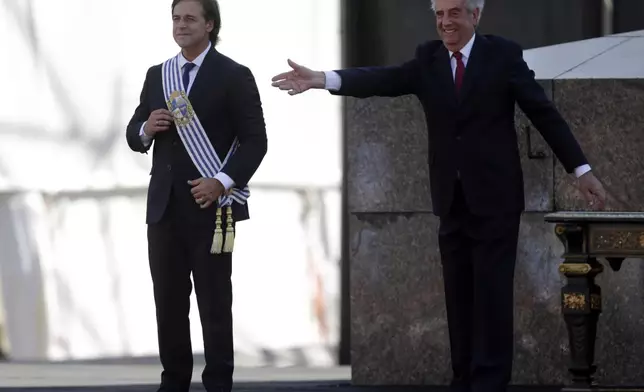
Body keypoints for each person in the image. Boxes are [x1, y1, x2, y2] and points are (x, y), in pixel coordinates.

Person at [271, 0, 606, 391]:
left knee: (492, 298)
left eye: (454, 13)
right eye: (439, 14)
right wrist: (322, 79)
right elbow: (383, 80)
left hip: (495, 201)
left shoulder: (502, 56)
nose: (445, 22)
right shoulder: (427, 59)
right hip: (451, 199)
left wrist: (580, 170)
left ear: (475, 15)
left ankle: (490, 382)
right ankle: (463, 380)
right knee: (458, 298)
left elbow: (542, 112)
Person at [126, 0, 267, 390]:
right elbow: (134, 130)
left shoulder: (234, 75)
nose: (180, 25)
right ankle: (173, 383)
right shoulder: (159, 75)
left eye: (189, 18)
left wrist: (221, 181)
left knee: (214, 304)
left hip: (212, 208)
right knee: (169, 305)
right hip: (164, 208)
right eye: (175, 18)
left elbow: (256, 141)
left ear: (209, 24)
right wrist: (145, 129)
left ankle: (218, 384)